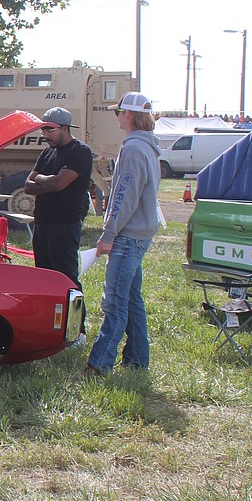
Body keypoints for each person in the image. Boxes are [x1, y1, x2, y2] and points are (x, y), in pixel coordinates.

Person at [85, 92, 162, 376]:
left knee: (115, 300)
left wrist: (109, 233)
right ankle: (137, 360)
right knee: (131, 298)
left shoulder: (132, 149)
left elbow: (123, 197)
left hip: (127, 236)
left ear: (127, 115)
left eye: (118, 111)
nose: (116, 115)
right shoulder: (148, 147)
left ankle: (99, 364)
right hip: (140, 234)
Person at [24, 107, 94, 344]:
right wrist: (47, 180)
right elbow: (27, 185)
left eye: (50, 129)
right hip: (42, 222)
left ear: (64, 128)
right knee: (44, 277)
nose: (45, 134)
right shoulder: (46, 153)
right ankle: (49, 329)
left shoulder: (80, 152)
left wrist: (43, 180)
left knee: (67, 279)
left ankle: (77, 331)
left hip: (65, 224)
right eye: (43, 128)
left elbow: (59, 184)